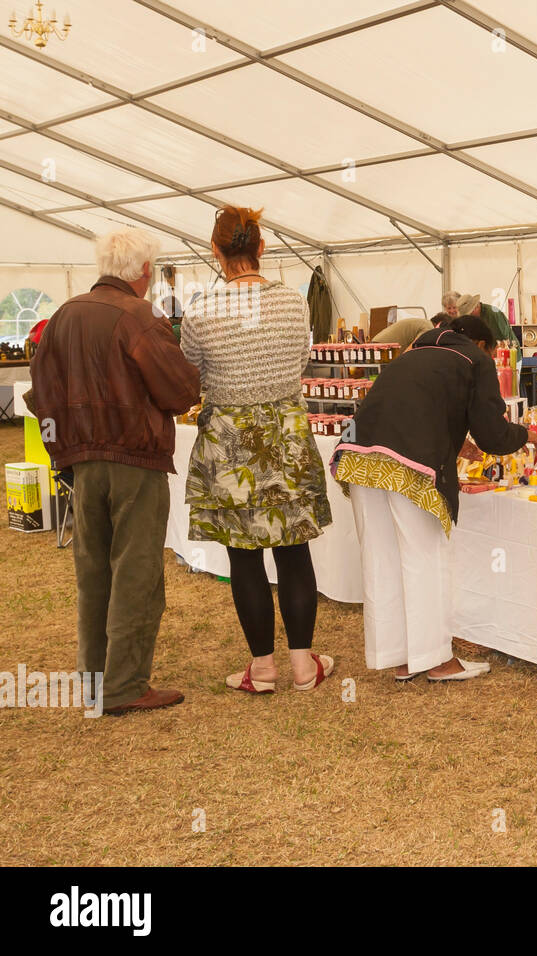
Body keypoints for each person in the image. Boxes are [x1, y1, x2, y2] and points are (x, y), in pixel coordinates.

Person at [26, 229, 201, 714]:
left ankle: (94, 680)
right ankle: (124, 686)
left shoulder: (63, 315)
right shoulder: (140, 317)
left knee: (93, 570)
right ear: (144, 272)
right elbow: (180, 390)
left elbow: (41, 389)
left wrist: (61, 445)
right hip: (134, 460)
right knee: (135, 571)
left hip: (82, 461)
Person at [331, 322, 537, 682]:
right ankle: (435, 660)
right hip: (407, 463)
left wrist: (452, 438)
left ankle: (399, 656)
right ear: (481, 343)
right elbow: (492, 433)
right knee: (423, 558)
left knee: (382, 557)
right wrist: (525, 434)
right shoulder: (475, 358)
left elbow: (414, 410)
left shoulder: (413, 354)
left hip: (358, 456)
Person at [182, 206, 335, 695]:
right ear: (261, 247)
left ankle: (262, 669)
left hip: (228, 441)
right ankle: (304, 667)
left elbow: (191, 379)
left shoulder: (201, 310)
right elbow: (300, 361)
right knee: (294, 553)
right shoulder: (293, 302)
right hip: (286, 435)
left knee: (243, 558)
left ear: (215, 250)